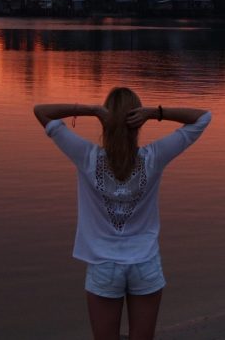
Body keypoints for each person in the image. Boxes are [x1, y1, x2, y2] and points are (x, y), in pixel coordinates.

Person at [33, 87, 211, 340]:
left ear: (105, 121)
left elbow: (41, 112)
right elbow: (203, 117)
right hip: (145, 263)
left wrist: (92, 110)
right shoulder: (154, 157)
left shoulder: (87, 156)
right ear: (138, 122)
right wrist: (155, 113)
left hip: (103, 266)